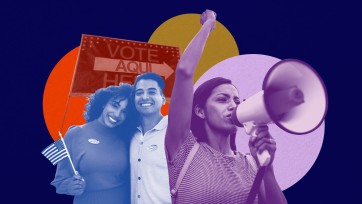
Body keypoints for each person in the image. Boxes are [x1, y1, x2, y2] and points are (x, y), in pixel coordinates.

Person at [165, 10, 288, 204]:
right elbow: (184, 71)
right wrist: (209, 24)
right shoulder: (184, 150)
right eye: (222, 99)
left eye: (237, 101)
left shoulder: (251, 163)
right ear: (200, 111)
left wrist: (268, 169)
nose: (233, 106)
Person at [51, 84, 137, 204]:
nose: (117, 114)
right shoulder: (75, 133)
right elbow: (59, 181)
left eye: (124, 112)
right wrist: (69, 186)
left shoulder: (128, 138)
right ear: (103, 103)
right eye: (114, 105)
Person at [130, 72, 171, 204]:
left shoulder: (174, 131)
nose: (145, 97)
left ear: (163, 99)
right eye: (139, 93)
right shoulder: (129, 134)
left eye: (152, 92)